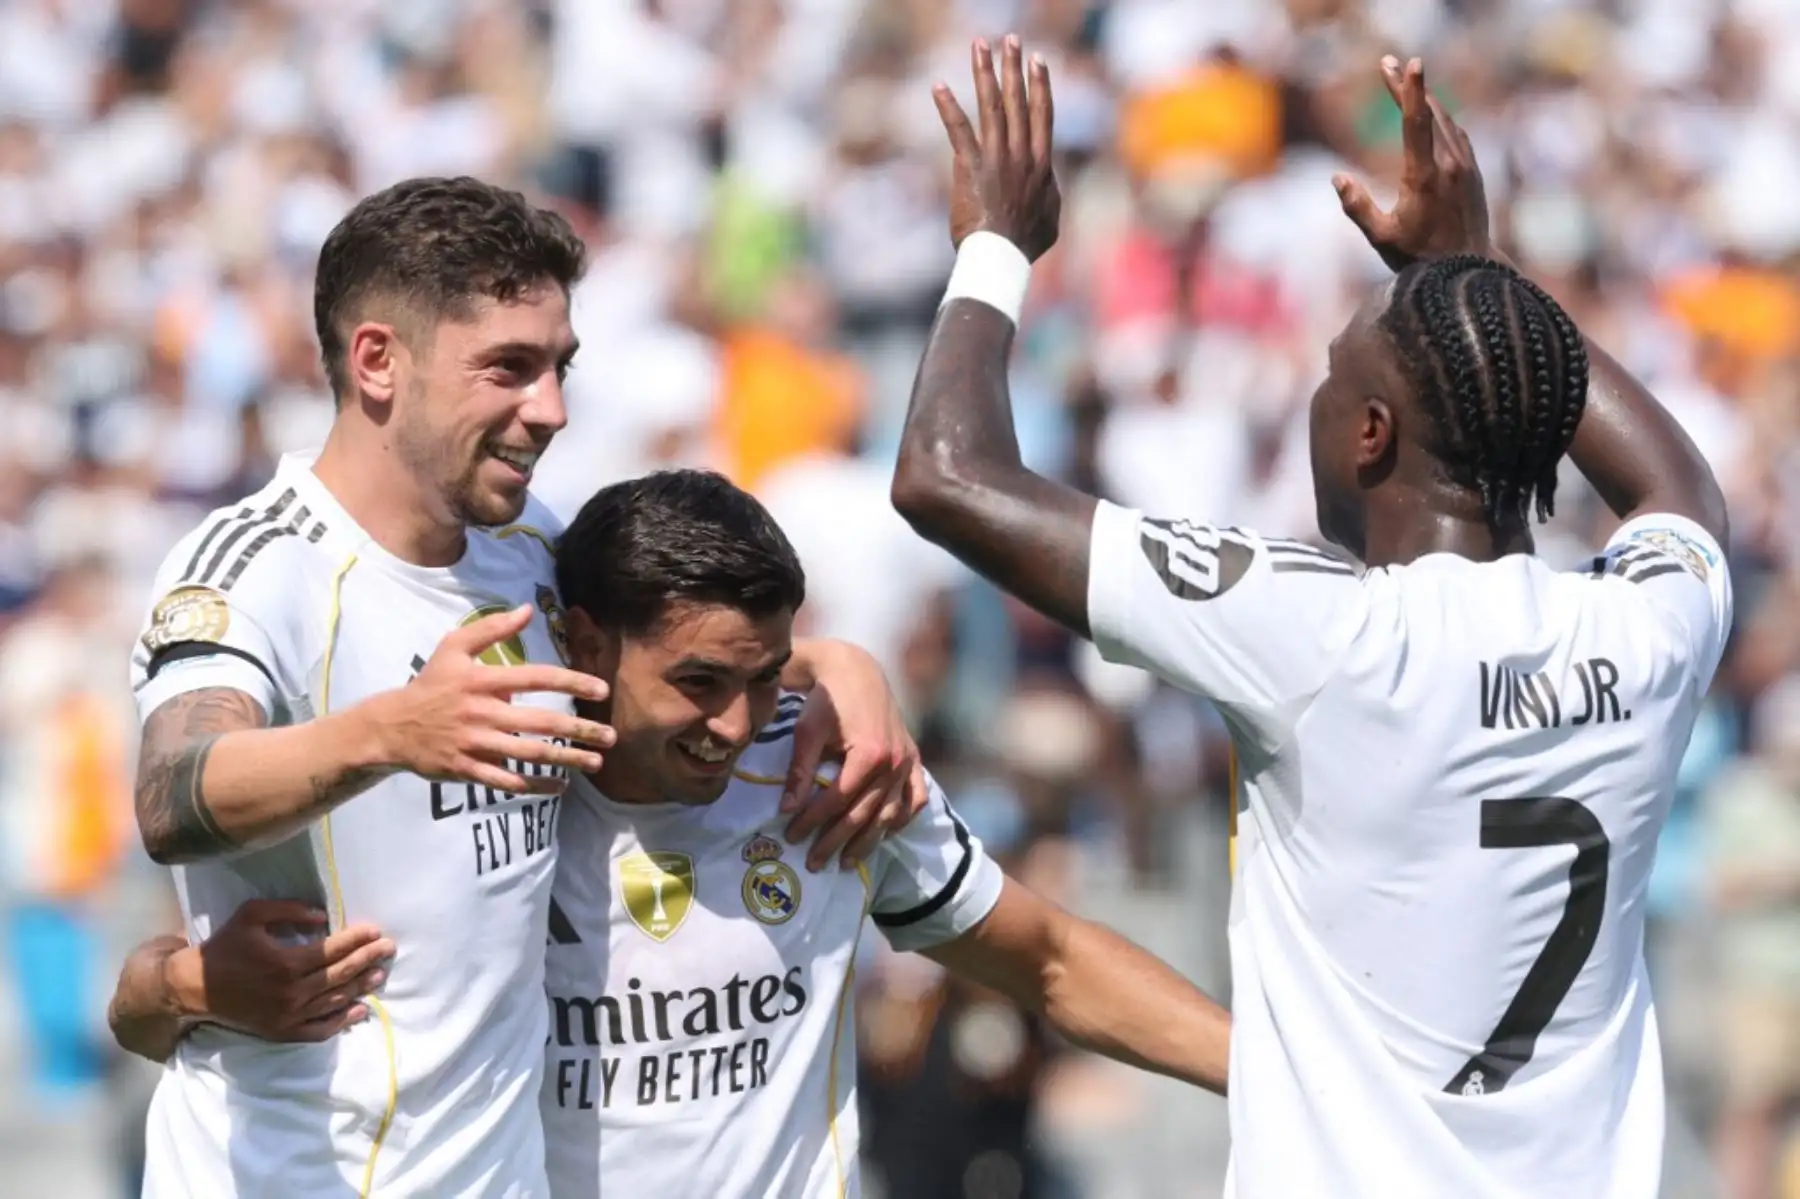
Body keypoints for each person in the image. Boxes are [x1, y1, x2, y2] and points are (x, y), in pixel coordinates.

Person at [891, 40, 1731, 1199]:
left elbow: (945, 474)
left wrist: (994, 244)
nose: (1315, 395)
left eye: (1333, 376)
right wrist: (1481, 285)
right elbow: (1679, 491)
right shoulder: (1648, 635)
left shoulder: (1323, 634)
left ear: (1371, 434)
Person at [113, 176, 930, 1198]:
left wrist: (842, 664)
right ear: (378, 360)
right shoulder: (255, 565)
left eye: (558, 368)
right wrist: (390, 733)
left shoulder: (533, 552)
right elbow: (173, 792)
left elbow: (683, 656)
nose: (550, 409)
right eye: (509, 368)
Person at [112, 468, 1232, 1199]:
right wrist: (182, 985)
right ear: (585, 642)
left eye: (762, 675)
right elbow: (158, 995)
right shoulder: (485, 796)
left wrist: (1279, 1071)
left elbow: (1049, 957)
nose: (736, 722)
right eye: (698, 681)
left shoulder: (826, 770)